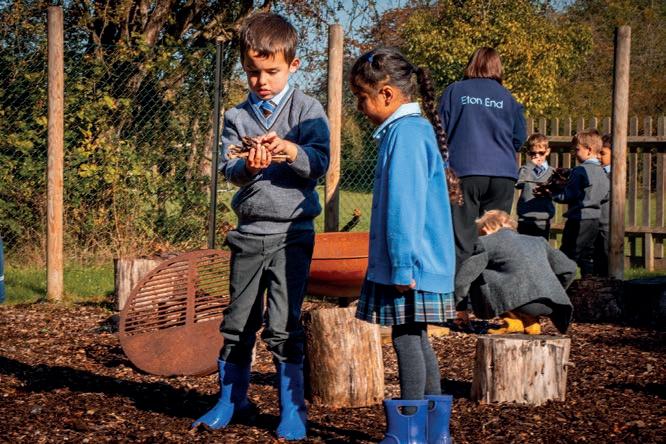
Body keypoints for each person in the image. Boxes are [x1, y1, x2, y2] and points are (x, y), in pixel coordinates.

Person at [191, 12, 330, 441]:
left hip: (293, 236)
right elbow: (228, 169)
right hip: (249, 234)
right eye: (253, 72)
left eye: (271, 71)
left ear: (293, 65)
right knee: (238, 321)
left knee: (284, 326)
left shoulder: (308, 110)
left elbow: (320, 164)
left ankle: (293, 409)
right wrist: (248, 168)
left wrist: (290, 150)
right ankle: (231, 399)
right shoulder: (237, 115)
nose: (261, 81)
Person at [350, 47, 459, 444]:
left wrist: (400, 266)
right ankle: (434, 432)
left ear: (386, 94)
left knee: (406, 337)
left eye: (361, 97)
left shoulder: (406, 134)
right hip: (421, 262)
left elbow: (404, 206)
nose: (359, 107)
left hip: (413, 263)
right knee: (415, 335)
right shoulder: (411, 131)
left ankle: (409, 432)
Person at [438, 47, 527, 268]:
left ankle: (460, 286)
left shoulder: (455, 91)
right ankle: (493, 285)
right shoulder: (508, 98)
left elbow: (439, 131)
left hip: (465, 171)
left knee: (462, 237)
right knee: (496, 237)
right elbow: (519, 137)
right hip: (503, 174)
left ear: (472, 64)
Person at [455, 210, 576, 335]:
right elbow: (569, 269)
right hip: (548, 304)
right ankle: (531, 323)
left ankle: (512, 322)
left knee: (477, 270)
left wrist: (460, 307)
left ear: (485, 229)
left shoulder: (486, 242)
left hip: (514, 301)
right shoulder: (538, 241)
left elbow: (464, 279)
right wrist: (553, 290)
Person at [540, 130, 609, 277]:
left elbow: (567, 195)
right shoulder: (602, 172)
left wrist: (551, 193)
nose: (574, 153)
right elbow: (606, 195)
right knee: (587, 255)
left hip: (579, 218)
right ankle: (588, 282)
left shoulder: (579, 171)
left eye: (577, 149)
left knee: (568, 253)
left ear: (589, 150)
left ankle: (560, 283)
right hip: (595, 220)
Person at [516, 133, 555, 239]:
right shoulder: (525, 169)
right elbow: (519, 183)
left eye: (541, 153)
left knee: (540, 246)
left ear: (547, 151)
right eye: (533, 153)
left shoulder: (552, 172)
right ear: (528, 153)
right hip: (524, 219)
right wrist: (531, 166)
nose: (537, 156)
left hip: (543, 219)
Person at [593, 134, 612, 276]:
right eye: (598, 153)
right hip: (595, 222)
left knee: (606, 257)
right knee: (596, 258)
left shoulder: (615, 175)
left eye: (603, 153)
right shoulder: (597, 171)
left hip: (607, 224)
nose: (599, 157)